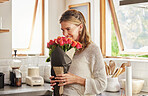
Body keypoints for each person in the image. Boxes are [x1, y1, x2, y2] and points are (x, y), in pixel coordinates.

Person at [50, 9, 107, 96]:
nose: (64, 34)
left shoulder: (92, 49)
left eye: (68, 29)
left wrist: (76, 79)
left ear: (80, 27)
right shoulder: (64, 49)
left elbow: (101, 84)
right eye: (62, 30)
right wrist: (57, 81)